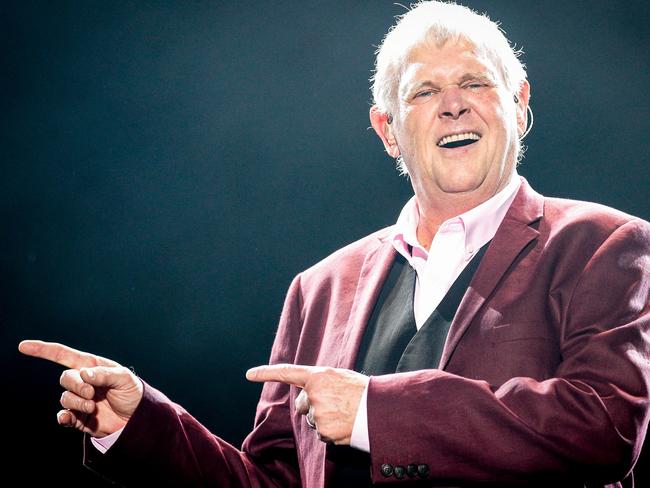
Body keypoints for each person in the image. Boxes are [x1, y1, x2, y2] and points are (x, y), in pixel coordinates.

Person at [19, 1, 650, 486]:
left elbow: (605, 424)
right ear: (388, 131)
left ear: (518, 104)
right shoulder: (321, 288)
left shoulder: (605, 245)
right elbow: (271, 481)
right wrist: (140, 426)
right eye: (423, 93)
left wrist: (377, 413)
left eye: (476, 84)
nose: (453, 106)